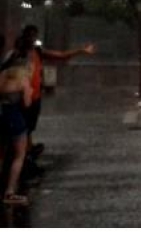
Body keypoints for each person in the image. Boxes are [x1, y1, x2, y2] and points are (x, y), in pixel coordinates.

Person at [6, 25, 95, 161]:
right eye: (30, 35)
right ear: (24, 36)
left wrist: (80, 50)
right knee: (23, 127)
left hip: (34, 96)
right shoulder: (17, 54)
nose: (32, 39)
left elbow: (61, 55)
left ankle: (27, 153)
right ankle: (24, 155)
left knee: (29, 126)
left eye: (34, 35)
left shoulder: (38, 52)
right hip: (20, 96)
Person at [0, 48, 33, 206]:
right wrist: (30, 92)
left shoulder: (3, 75)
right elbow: (27, 103)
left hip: (1, 114)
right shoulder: (23, 79)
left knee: (2, 152)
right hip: (15, 117)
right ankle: (10, 191)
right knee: (19, 155)